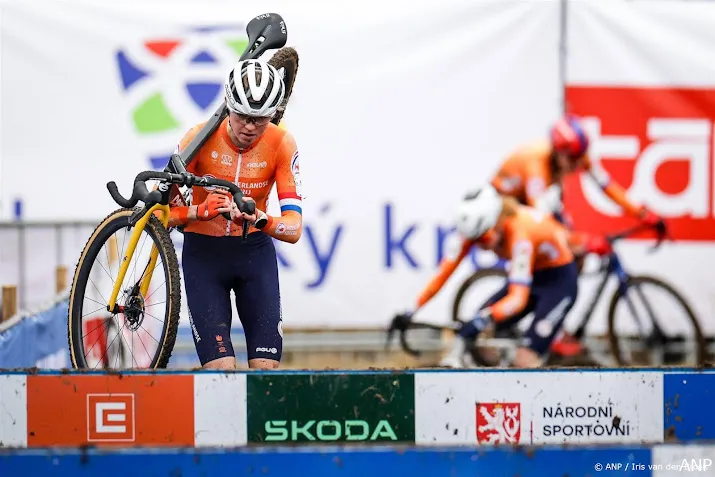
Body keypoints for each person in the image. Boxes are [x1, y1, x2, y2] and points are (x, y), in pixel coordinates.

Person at [489, 114, 667, 356]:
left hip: (531, 200)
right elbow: (542, 221)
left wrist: (643, 213)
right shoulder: (536, 163)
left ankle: (553, 311)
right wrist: (583, 241)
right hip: (507, 204)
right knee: (552, 245)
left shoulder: (577, 155)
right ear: (557, 151)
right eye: (570, 159)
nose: (575, 165)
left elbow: (609, 187)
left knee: (574, 255)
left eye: (578, 158)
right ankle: (544, 318)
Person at [166, 59, 303, 370]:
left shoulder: (281, 142)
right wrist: (200, 211)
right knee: (221, 370)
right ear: (228, 104)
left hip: (255, 254)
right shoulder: (197, 138)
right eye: (242, 116)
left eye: (260, 119)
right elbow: (162, 215)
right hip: (204, 256)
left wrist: (260, 219)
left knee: (265, 369)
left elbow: (294, 229)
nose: (250, 128)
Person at [395, 185, 579, 368]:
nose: (480, 246)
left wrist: (483, 319)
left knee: (524, 357)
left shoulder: (520, 234)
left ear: (497, 222)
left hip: (558, 282)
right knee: (481, 338)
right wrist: (412, 310)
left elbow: (517, 299)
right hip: (533, 275)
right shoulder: (475, 231)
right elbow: (443, 275)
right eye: (475, 241)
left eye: (483, 239)